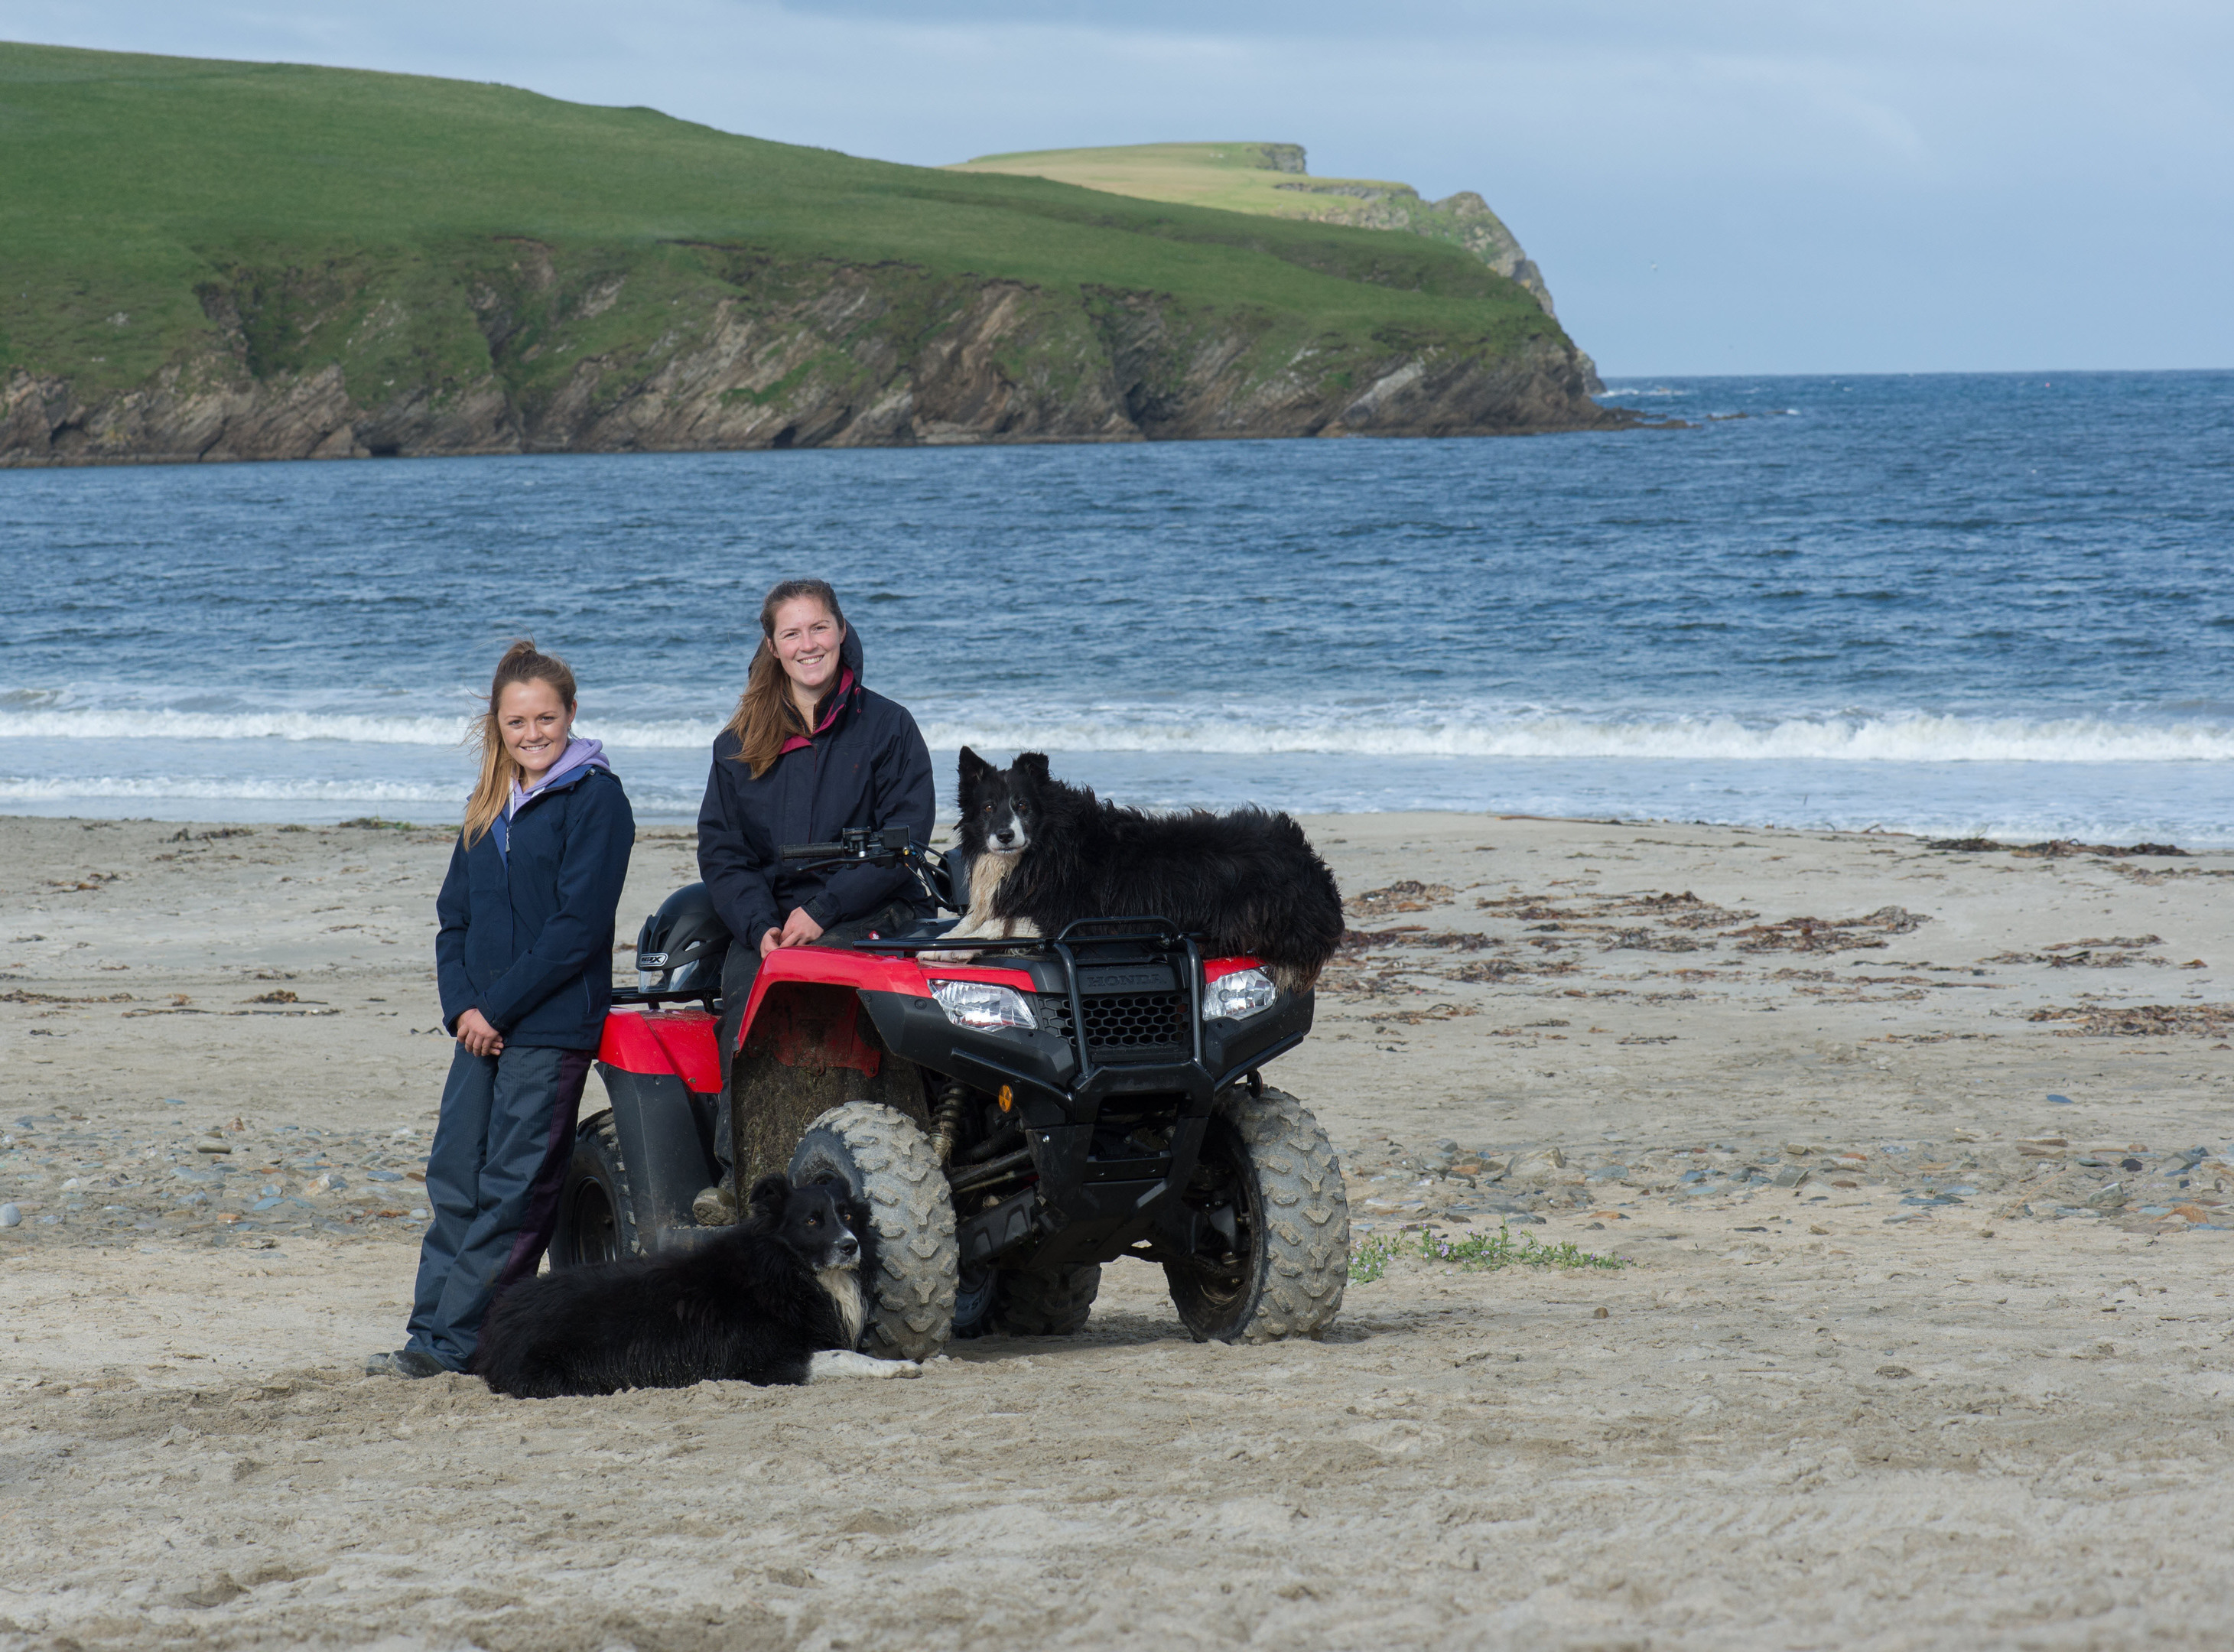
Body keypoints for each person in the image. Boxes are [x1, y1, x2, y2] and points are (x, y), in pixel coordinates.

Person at [367, 640, 635, 1378]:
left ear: (571, 715)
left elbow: (576, 930)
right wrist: (463, 1012)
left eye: (546, 718)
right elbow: (452, 919)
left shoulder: (598, 800)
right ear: (498, 725)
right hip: (477, 1030)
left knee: (514, 1192)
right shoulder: (486, 805)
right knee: (456, 1177)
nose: (532, 733)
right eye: (517, 722)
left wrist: (497, 1011)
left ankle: (459, 1346)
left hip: (548, 1027)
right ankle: (429, 1336)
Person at [695, 578, 935, 1221]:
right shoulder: (738, 744)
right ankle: (735, 1176)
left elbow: (905, 838)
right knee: (746, 1000)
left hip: (872, 908)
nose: (809, 644)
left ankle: (920, 1162)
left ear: (841, 631)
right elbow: (722, 853)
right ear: (772, 647)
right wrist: (760, 926)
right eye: (793, 633)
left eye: (819, 628)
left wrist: (823, 911)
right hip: (770, 922)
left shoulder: (888, 726)